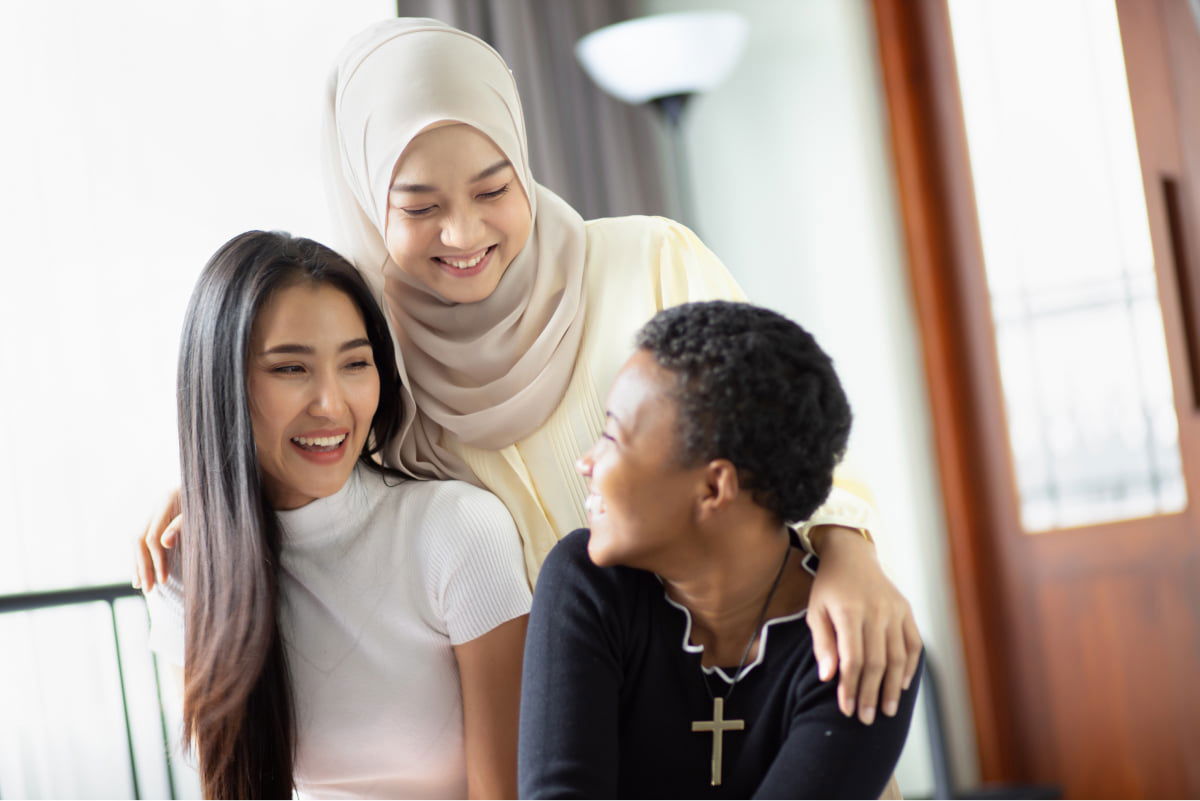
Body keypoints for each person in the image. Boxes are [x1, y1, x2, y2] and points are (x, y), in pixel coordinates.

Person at [137, 17, 920, 730]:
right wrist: (221, 473)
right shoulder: (377, 360)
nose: (463, 232)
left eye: (493, 188)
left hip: (767, 693)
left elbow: (787, 426)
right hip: (596, 750)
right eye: (416, 207)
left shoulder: (649, 262)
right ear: (370, 203)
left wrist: (851, 556)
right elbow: (324, 468)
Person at [147, 230, 529, 799]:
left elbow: (507, 791)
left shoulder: (455, 531)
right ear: (222, 385)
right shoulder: (189, 570)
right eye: (290, 369)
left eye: (355, 363)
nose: (332, 404)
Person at [519, 301, 921, 798]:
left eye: (611, 436)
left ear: (714, 489)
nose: (586, 462)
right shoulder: (586, 581)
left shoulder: (860, 647)